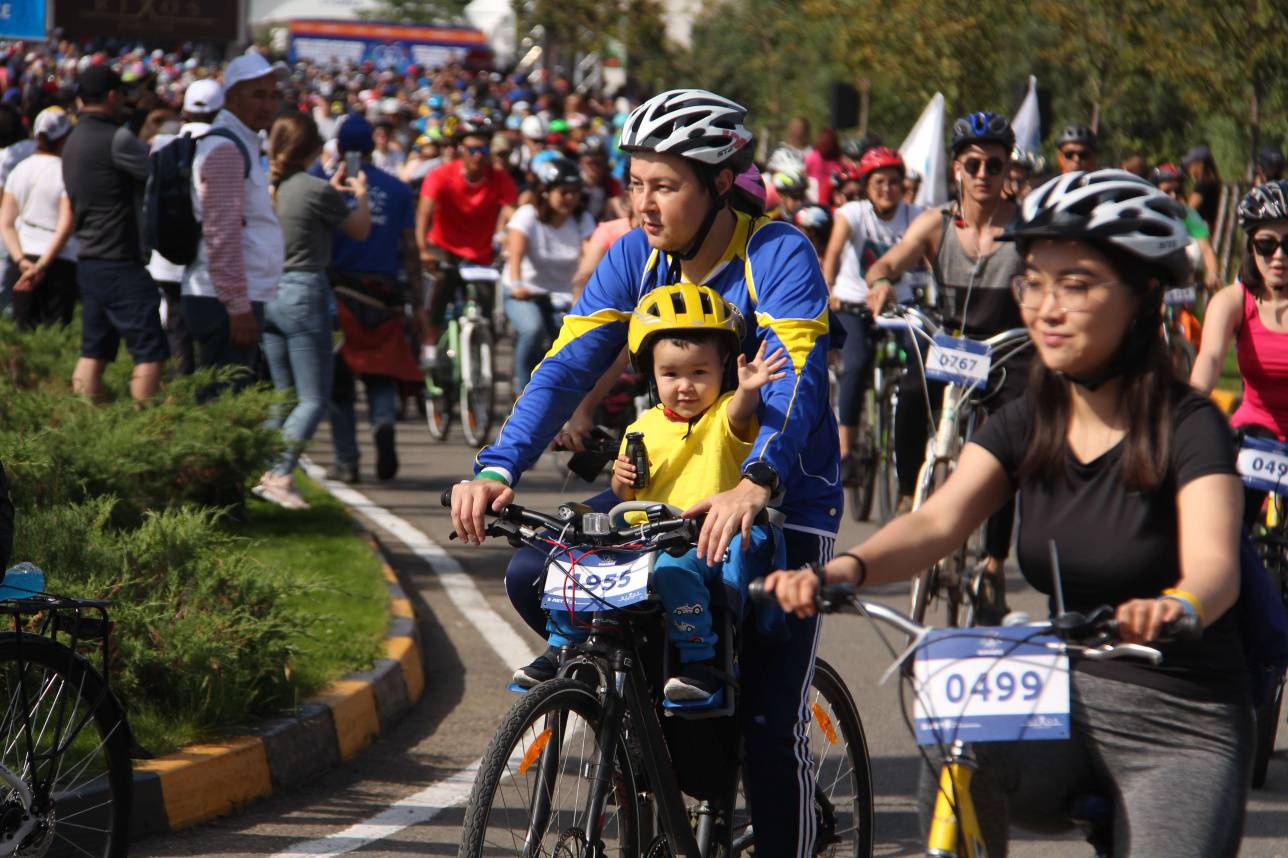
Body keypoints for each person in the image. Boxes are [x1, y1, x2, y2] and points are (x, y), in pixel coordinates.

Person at [765, 170, 1250, 856]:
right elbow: (937, 523)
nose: (1046, 308)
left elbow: (1215, 566)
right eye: (1033, 282)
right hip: (1063, 694)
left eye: (1075, 285)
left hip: (1180, 718)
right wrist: (841, 570)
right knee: (961, 747)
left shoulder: (1191, 425)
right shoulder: (1027, 419)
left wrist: (1177, 605)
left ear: (1144, 295)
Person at [451, 88, 841, 856]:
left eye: (664, 185)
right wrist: (497, 465)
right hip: (662, 486)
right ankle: (636, 730)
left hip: (779, 495)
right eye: (635, 183)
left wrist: (758, 479)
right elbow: (565, 367)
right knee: (536, 568)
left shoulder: (777, 253)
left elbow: (800, 375)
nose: (643, 202)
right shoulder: (634, 255)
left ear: (720, 182)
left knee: (767, 729)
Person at [515, 284, 788, 702]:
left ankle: (700, 663)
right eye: (671, 374)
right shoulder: (642, 426)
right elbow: (624, 494)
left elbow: (738, 413)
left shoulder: (724, 414)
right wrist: (621, 480)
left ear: (723, 374)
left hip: (701, 540)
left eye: (700, 373)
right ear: (651, 376)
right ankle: (562, 648)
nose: (685, 386)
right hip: (645, 536)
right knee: (573, 562)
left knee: (673, 570)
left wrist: (749, 390)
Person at [863, 111, 1027, 614]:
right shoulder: (935, 222)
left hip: (1008, 346)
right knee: (911, 395)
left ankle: (995, 560)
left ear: (1006, 172)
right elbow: (890, 260)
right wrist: (882, 280)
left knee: (1011, 439)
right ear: (957, 168)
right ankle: (914, 496)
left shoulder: (1025, 227)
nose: (983, 174)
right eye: (973, 164)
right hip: (952, 343)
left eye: (994, 165)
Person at [255, 111, 369, 509]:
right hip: (303, 291)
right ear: (313, 148)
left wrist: (331, 191)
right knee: (311, 398)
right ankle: (280, 474)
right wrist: (360, 195)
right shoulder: (314, 189)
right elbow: (359, 230)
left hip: (268, 290)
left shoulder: (269, 184)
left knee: (282, 394)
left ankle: (262, 466)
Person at [323, 115, 422, 484]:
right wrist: (417, 296)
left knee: (340, 382)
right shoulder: (396, 189)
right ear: (371, 146)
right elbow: (410, 247)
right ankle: (382, 422)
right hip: (384, 294)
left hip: (339, 292)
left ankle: (346, 460)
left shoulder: (326, 185)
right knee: (381, 373)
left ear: (339, 148)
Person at [61, 64, 168, 402]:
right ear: (111, 96)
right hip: (120, 260)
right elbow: (157, 174)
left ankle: (85, 429)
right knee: (150, 350)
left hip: (89, 258)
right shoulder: (117, 138)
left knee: (94, 351)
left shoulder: (72, 139)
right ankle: (141, 435)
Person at [182, 52, 286, 393]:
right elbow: (221, 232)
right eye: (258, 95)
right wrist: (237, 306)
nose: (268, 105)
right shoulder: (227, 147)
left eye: (273, 95)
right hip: (222, 301)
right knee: (222, 409)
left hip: (229, 297)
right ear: (231, 98)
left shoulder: (243, 142)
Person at [821, 146, 924, 482]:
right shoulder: (851, 213)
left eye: (894, 182)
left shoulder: (916, 215)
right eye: (879, 182)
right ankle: (846, 451)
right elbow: (833, 253)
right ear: (867, 185)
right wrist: (828, 292)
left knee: (920, 367)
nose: (886, 189)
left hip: (900, 307)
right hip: (852, 303)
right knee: (857, 363)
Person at [1191, 180, 1288, 525]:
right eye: (1267, 244)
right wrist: (1190, 405)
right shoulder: (1233, 301)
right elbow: (1210, 358)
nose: (1279, 256)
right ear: (1251, 247)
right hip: (1254, 434)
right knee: (1227, 527)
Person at [416, 113, 516, 369]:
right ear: (462, 149)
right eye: (472, 148)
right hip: (443, 248)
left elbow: (511, 213)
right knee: (439, 295)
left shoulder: (500, 179)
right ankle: (429, 346)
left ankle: (484, 363)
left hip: (479, 255)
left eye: (483, 148)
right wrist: (423, 249)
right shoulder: (440, 175)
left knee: (486, 310)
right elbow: (424, 213)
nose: (478, 154)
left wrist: (508, 237)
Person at [146, 78, 223, 376]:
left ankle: (178, 397)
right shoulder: (225, 146)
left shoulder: (161, 146)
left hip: (165, 261)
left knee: (177, 335)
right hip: (205, 266)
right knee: (211, 349)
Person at [503, 155, 594, 393]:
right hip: (524, 289)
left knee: (571, 341)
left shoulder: (581, 218)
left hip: (562, 294)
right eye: (563, 192)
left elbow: (589, 258)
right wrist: (517, 285)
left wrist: (585, 291)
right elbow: (516, 256)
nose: (570, 198)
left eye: (574, 192)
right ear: (546, 191)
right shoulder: (527, 215)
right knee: (533, 330)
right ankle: (522, 391)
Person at [0, 107, 77, 329]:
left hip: (22, 258)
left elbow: (6, 223)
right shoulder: (66, 172)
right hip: (59, 260)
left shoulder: (19, 170)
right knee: (56, 335)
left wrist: (22, 262)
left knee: (23, 332)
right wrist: (41, 266)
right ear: (64, 138)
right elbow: (64, 227)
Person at [1150, 162, 1221, 292]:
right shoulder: (1149, 213)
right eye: (1167, 191)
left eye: (1177, 190)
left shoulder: (1188, 214)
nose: (1173, 195)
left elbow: (1206, 249)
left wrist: (1212, 274)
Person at [1183, 144, 1222, 230]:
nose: (1188, 168)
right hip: (1214, 227)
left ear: (1200, 164)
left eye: (1190, 164)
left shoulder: (1203, 185)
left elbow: (1189, 211)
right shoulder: (1214, 182)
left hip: (1205, 232)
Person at [803, 127, 843, 204]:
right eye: (823, 143)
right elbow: (804, 175)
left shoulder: (838, 161)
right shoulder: (812, 157)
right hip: (813, 197)